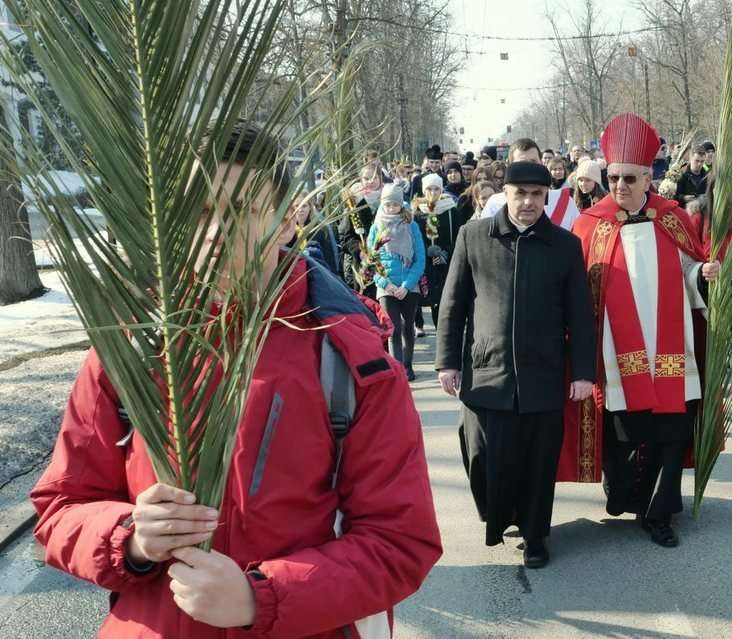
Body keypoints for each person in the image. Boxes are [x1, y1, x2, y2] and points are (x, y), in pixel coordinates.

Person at [30, 121, 442, 638]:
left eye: (240, 212)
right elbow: (60, 507)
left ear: (288, 219)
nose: (213, 234)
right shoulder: (130, 349)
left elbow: (402, 542)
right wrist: (129, 538)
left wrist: (261, 597)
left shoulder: (351, 358)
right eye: (196, 213)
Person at [559, 113, 718, 549]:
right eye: (613, 178)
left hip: (671, 348)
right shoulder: (590, 224)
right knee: (626, 432)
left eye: (629, 178)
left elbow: (690, 270)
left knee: (670, 431)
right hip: (615, 352)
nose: (619, 187)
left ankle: (660, 513)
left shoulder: (672, 218)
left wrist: (702, 273)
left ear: (649, 177)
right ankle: (626, 490)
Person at [435, 161, 596, 569]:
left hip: (543, 372)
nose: (528, 202)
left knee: (538, 461)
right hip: (486, 369)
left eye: (536, 195)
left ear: (547, 196)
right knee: (482, 455)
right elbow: (452, 304)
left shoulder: (564, 244)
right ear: (503, 194)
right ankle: (500, 512)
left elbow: (579, 313)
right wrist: (447, 362)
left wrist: (582, 372)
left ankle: (536, 534)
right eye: (520, 193)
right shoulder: (474, 237)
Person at [688, 174, 732, 409]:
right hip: (706, 287)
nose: (722, 194)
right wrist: (702, 270)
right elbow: (690, 250)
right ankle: (711, 388)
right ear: (711, 190)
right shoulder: (699, 217)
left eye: (728, 189)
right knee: (709, 340)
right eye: (718, 189)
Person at [369, 184, 426, 381]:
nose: (391, 208)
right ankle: (398, 369)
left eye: (395, 204)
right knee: (394, 328)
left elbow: (420, 258)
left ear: (401, 205)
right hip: (386, 287)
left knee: (408, 325)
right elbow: (371, 262)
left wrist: (407, 285)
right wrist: (386, 284)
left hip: (409, 286)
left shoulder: (411, 226)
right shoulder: (376, 227)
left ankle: (408, 365)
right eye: (388, 204)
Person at [479, 138, 581, 230]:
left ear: (541, 164)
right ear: (510, 167)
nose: (528, 168)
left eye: (533, 162)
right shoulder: (494, 203)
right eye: (521, 163)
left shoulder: (565, 201)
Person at [412, 173, 461, 331]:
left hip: (445, 261)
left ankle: (443, 332)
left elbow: (459, 236)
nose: (432, 193)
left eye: (436, 189)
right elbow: (413, 238)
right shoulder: (418, 212)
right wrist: (426, 250)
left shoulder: (451, 210)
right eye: (428, 189)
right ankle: (419, 324)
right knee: (428, 297)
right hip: (425, 262)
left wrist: (446, 252)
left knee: (442, 301)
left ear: (441, 190)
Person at [337, 163, 383, 296]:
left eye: (375, 177)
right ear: (361, 180)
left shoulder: (388, 201)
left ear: (380, 179)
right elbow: (345, 237)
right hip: (362, 266)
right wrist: (360, 251)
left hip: (386, 264)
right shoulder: (354, 204)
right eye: (367, 178)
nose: (371, 181)